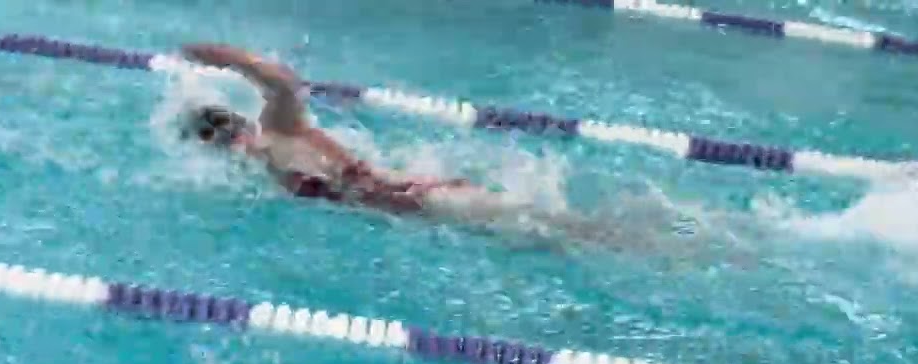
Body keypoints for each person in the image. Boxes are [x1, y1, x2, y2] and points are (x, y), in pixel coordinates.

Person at [175, 43, 629, 252]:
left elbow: (282, 83)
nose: (229, 143)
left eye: (225, 130)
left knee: (571, 232)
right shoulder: (263, 171)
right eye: (216, 140)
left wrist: (225, 59)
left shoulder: (277, 131)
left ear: (238, 125)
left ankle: (661, 242)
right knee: (549, 239)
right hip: (415, 212)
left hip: (427, 200)